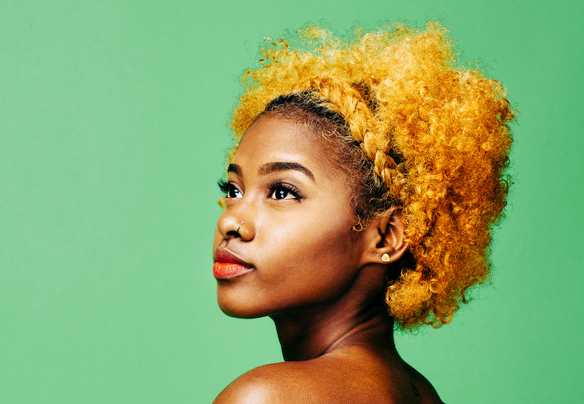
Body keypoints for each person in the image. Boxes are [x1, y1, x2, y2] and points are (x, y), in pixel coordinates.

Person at [211, 22, 514, 403]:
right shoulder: (419, 393)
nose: (229, 221)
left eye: (283, 192)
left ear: (386, 236)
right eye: (233, 190)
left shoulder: (266, 397)